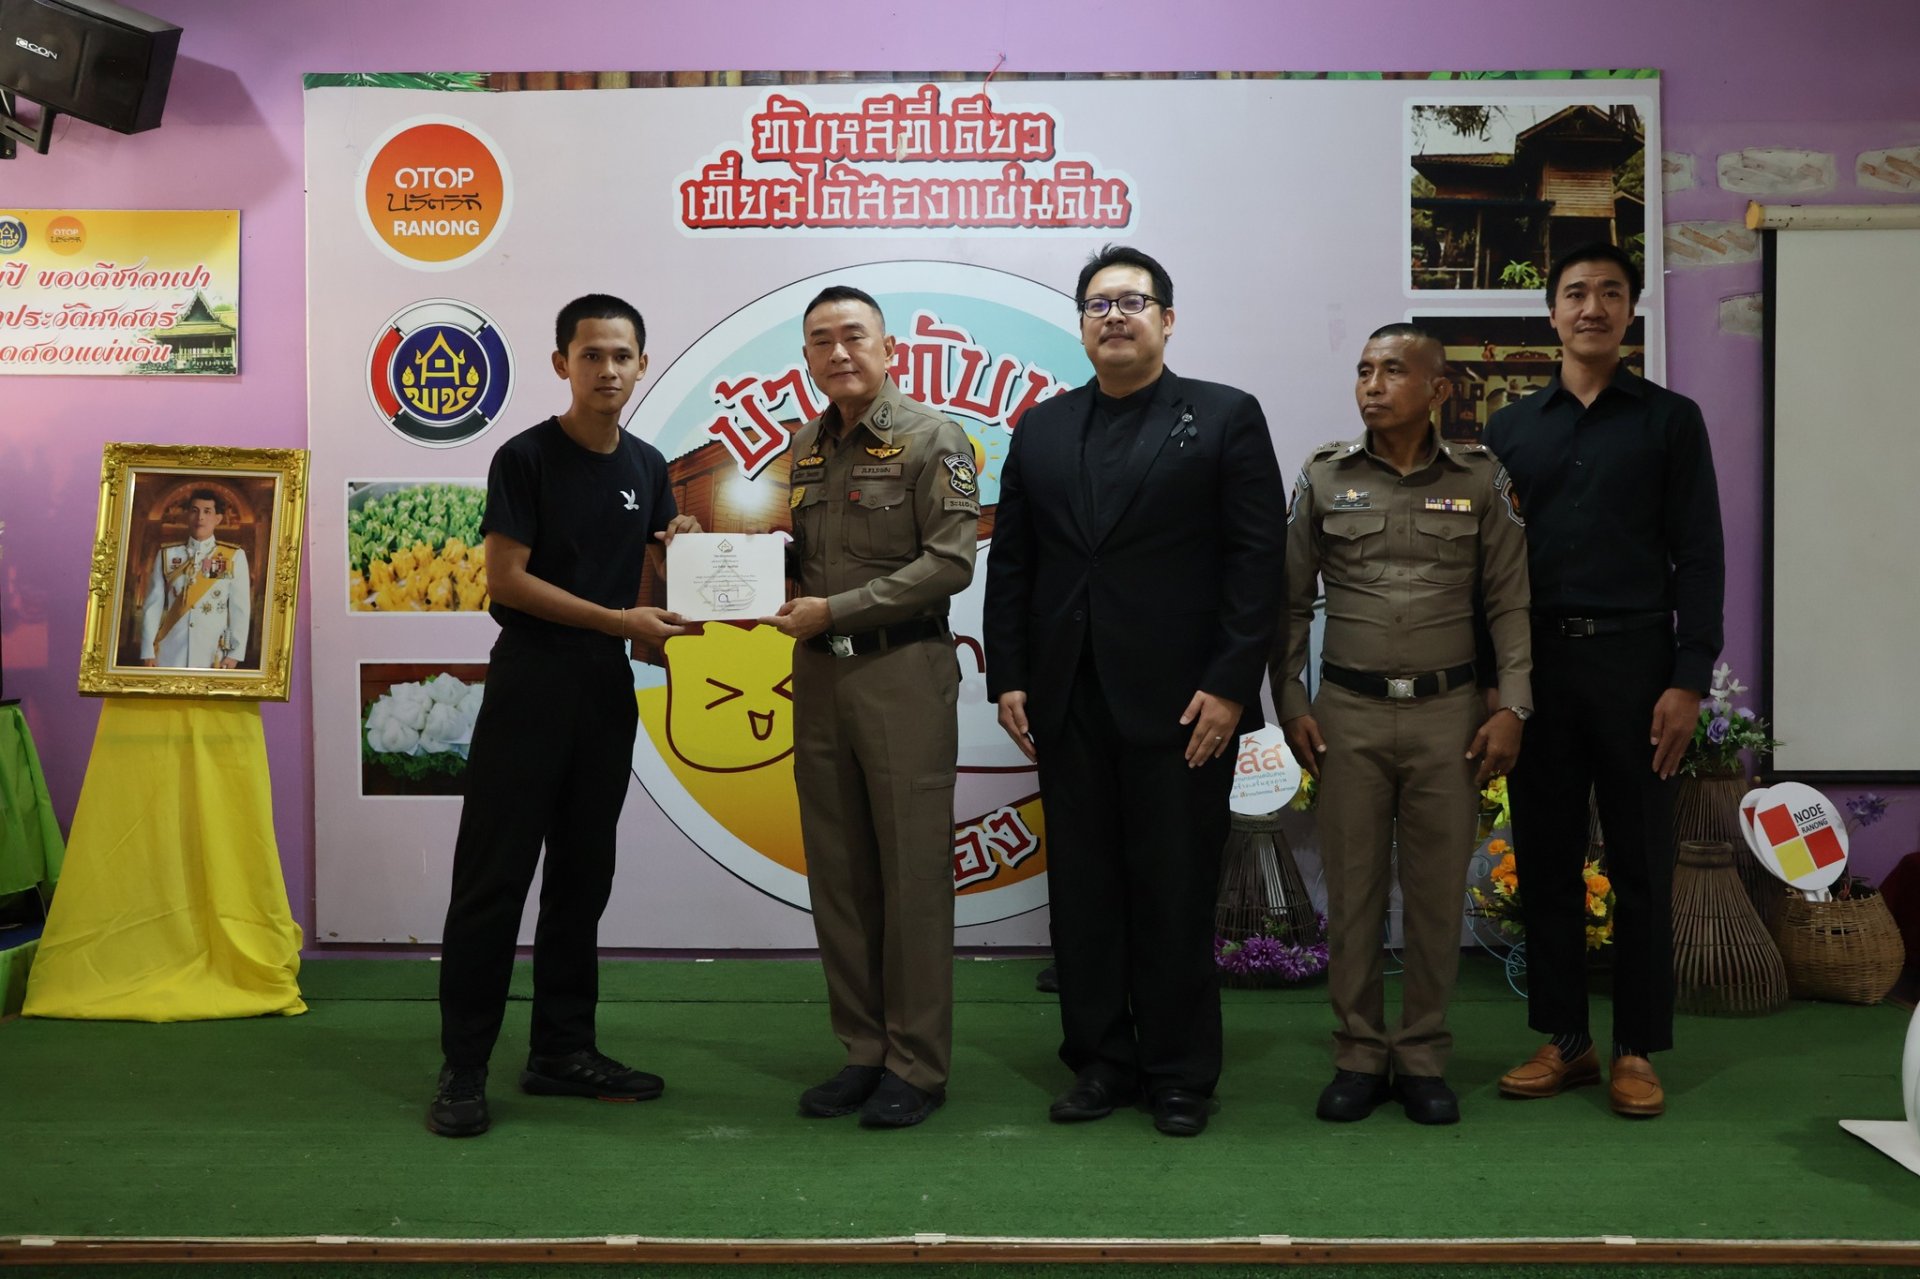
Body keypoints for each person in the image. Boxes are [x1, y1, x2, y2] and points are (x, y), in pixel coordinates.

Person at [983, 246, 1285, 1137]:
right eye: (1098, 303)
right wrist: (1010, 674)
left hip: (1185, 705)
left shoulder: (1225, 416)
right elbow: (1015, 563)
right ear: (1081, 324)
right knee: (1083, 892)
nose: (1114, 315)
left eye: (1133, 301)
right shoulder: (1042, 427)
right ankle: (1100, 1061)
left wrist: (1230, 686)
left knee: (1175, 888)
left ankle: (1180, 1071)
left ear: (1168, 319)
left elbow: (1256, 563)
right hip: (1067, 697)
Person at [430, 294, 699, 1138]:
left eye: (622, 355)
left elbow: (660, 573)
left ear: (642, 363)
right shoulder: (525, 457)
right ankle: (464, 1066)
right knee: (493, 881)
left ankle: (562, 1049)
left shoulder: (648, 465)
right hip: (531, 681)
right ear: (562, 364)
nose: (607, 369)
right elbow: (507, 581)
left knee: (583, 878)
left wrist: (683, 547)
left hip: (604, 691)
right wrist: (619, 621)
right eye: (591, 355)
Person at [1486, 243, 1724, 1119]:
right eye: (1577, 293)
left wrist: (1688, 678)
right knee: (1545, 858)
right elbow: (1489, 566)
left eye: (1611, 293)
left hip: (1638, 668)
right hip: (1537, 668)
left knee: (1641, 863)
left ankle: (1635, 1047)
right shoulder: (1511, 429)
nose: (1593, 307)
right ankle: (1567, 1039)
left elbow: (1700, 554)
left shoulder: (1671, 421)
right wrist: (1497, 684)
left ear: (1631, 310)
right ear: (1551, 312)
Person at [1273, 324, 1531, 1126]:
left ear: (1438, 389)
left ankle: (1420, 1055)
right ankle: (1357, 1053)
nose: (1373, 385)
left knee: (1434, 894)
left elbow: (1510, 601)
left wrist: (1514, 706)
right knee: (1351, 893)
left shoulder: (1482, 479)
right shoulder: (1324, 475)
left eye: (1392, 370)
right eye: (1363, 371)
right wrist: (1290, 701)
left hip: (1449, 716)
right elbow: (1287, 601)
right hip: (1346, 713)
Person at [758, 285, 977, 1129]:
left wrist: (837, 610)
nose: (839, 352)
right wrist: (715, 561)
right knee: (841, 873)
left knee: (912, 875)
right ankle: (863, 1049)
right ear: (806, 358)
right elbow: (810, 565)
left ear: (890, 350)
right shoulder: (805, 445)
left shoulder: (933, 437)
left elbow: (950, 562)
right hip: (820, 679)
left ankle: (916, 1064)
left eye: (854, 336)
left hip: (902, 674)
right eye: (822, 340)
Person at [139, 489, 250, 669]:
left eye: (207, 511)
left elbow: (240, 609)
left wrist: (235, 653)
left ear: (218, 518)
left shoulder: (233, 556)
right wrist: (147, 651)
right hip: (169, 653)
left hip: (213, 654)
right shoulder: (167, 555)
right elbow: (153, 606)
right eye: (194, 511)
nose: (200, 517)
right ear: (187, 516)